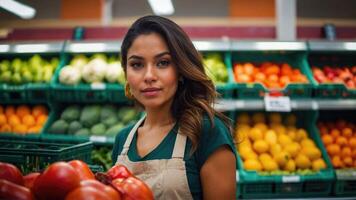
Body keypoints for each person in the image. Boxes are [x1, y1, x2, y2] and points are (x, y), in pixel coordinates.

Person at [112, 15, 237, 200]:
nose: (149, 76)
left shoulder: (208, 132)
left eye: (163, 63)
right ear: (126, 73)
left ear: (180, 70)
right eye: (137, 64)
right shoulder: (122, 140)